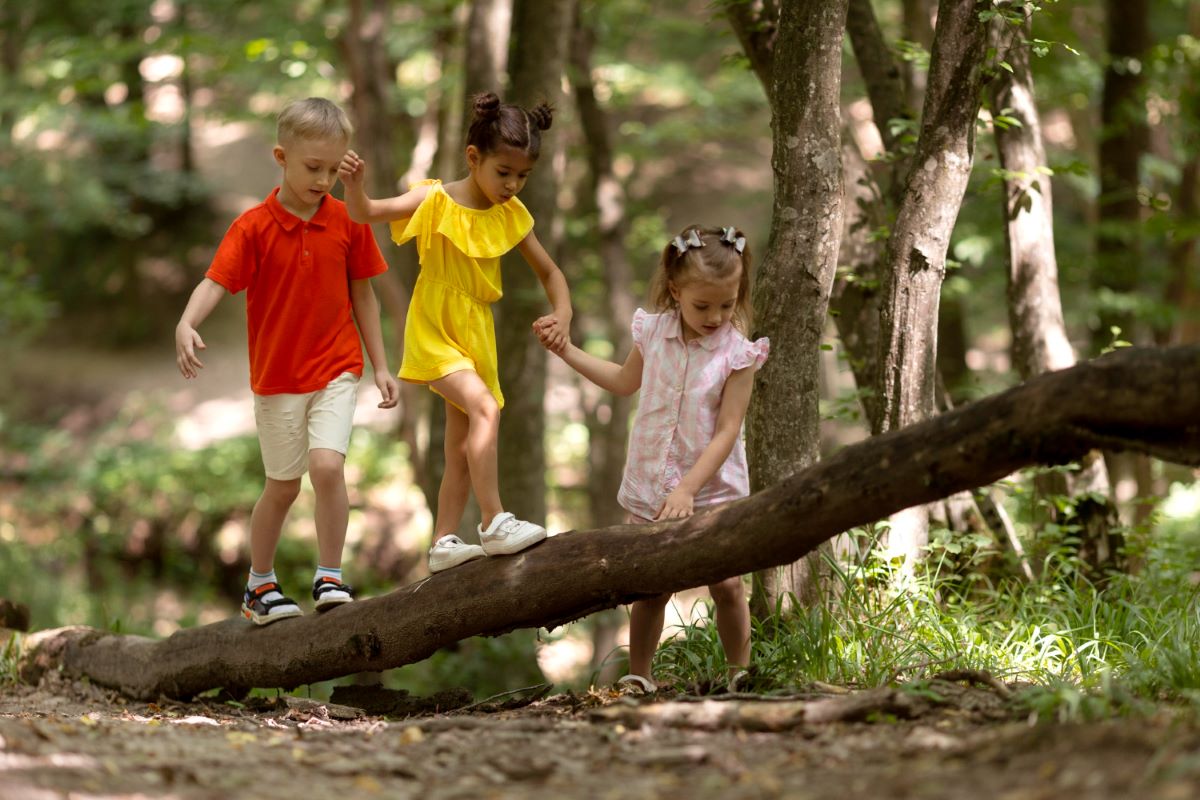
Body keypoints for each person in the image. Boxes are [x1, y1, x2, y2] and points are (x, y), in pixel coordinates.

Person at [175, 97, 399, 625]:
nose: (323, 179)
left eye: (332, 169)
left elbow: (363, 295)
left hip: (337, 367)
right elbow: (216, 281)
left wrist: (382, 365)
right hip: (277, 379)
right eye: (312, 168)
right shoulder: (253, 227)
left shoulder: (348, 221)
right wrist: (187, 322)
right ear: (281, 156)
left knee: (328, 466)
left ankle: (330, 575)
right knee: (282, 485)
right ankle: (260, 584)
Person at [338, 92, 572, 573]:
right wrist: (355, 186)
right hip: (434, 327)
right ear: (473, 157)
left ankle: (443, 542)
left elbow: (551, 273)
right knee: (485, 408)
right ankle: (493, 521)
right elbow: (366, 213)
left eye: (522, 176)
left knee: (461, 448)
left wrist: (563, 313)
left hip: (476, 332)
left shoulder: (510, 216)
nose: (512, 185)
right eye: (503, 172)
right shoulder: (434, 199)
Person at [538, 225, 769, 692]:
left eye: (727, 305)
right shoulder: (655, 331)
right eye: (702, 305)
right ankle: (640, 675)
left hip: (712, 489)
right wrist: (568, 352)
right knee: (650, 587)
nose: (716, 316)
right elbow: (624, 382)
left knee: (727, 585)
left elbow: (728, 430)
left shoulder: (737, 352)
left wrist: (688, 488)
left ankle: (737, 676)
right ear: (674, 290)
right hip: (651, 485)